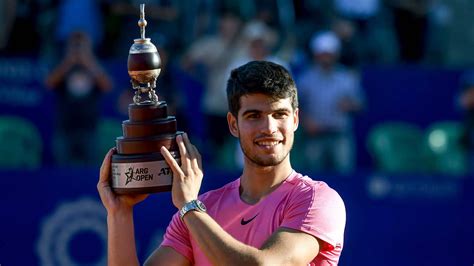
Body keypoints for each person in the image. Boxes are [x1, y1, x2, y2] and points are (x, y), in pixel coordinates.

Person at [97, 61, 346, 265]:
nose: (269, 128)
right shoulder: (203, 208)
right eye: (254, 116)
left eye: (279, 114)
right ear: (233, 124)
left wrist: (189, 207)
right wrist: (120, 213)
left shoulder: (317, 199)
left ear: (295, 120)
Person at [297, 31, 364, 174]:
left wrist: (351, 105)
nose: (326, 58)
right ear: (316, 55)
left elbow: (360, 104)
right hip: (314, 137)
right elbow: (295, 106)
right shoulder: (305, 79)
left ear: (336, 55)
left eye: (329, 54)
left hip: (340, 135)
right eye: (323, 54)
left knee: (344, 176)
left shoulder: (346, 78)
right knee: (313, 178)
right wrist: (306, 121)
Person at [46, 31, 112, 166]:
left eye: (82, 45)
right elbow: (49, 83)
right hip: (65, 127)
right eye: (75, 45)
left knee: (91, 171)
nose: (78, 48)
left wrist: (87, 60)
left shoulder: (93, 64)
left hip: (89, 128)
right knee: (63, 170)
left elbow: (107, 86)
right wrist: (69, 61)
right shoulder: (62, 64)